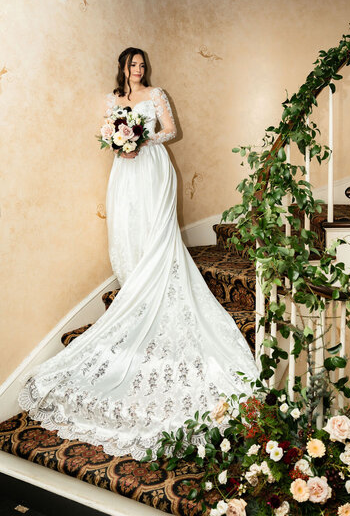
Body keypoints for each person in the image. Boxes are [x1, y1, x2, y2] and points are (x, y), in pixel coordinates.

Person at [18, 47, 259, 460]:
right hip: (125, 172)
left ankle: (159, 286)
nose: (138, 70)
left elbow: (170, 130)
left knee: (157, 230)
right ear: (122, 68)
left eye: (142, 65)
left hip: (153, 167)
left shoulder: (156, 94)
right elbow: (106, 134)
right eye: (133, 65)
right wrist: (119, 143)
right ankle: (135, 289)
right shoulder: (113, 100)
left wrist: (141, 136)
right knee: (128, 230)